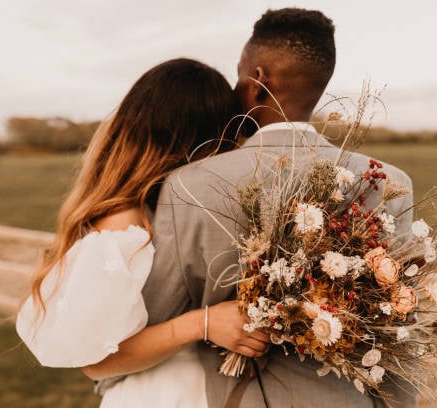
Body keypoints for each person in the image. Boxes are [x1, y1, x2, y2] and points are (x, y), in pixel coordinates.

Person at [138, 8, 418, 408]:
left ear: (257, 80)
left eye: (239, 75)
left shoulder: (188, 185)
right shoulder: (388, 184)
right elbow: (402, 325)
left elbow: (157, 319)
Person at [15, 58, 270, 407]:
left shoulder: (176, 209)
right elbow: (96, 362)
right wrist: (202, 323)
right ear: (200, 140)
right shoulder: (126, 223)